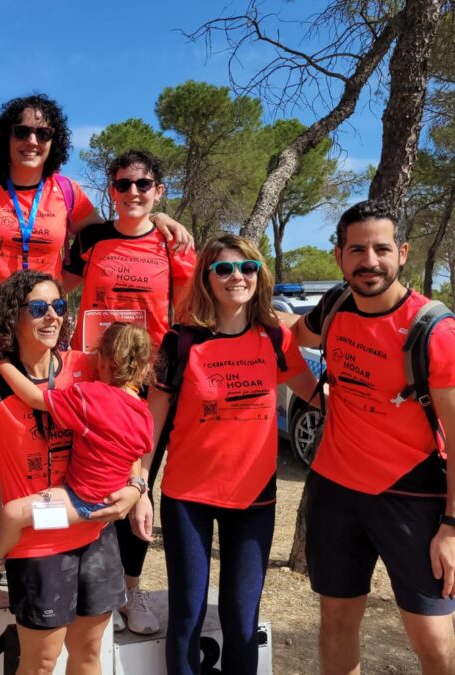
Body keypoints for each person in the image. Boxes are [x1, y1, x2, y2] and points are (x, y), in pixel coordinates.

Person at [0, 95, 190, 556]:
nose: (32, 140)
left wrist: (156, 216)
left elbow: (114, 231)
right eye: (22, 131)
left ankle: (30, 539)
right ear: (7, 137)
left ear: (54, 141)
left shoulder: (66, 192)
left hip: (40, 327)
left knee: (36, 439)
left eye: (43, 133)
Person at [129, 234, 314, 674]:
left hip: (254, 500)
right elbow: (151, 424)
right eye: (224, 269)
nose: (237, 277)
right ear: (207, 277)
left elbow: (319, 396)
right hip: (187, 497)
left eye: (247, 268)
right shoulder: (181, 341)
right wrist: (139, 487)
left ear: (259, 275)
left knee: (241, 618)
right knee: (188, 615)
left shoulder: (274, 338)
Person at [285, 200, 455, 675]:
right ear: (339, 256)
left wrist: (452, 529)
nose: (370, 261)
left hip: (412, 496)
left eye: (381, 248)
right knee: (336, 625)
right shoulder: (336, 305)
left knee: (434, 642)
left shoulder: (435, 331)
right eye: (357, 249)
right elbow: (290, 338)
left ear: (402, 253)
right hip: (335, 492)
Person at [0, 270, 143, 675]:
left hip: (94, 528)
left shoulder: (87, 366)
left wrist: (137, 486)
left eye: (58, 307)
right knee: (41, 662)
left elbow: (123, 428)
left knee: (90, 654)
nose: (52, 317)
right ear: (14, 317)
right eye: (39, 308)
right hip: (37, 541)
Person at [62, 149, 197, 634]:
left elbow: (189, 309)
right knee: (81, 479)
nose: (133, 193)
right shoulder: (94, 238)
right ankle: (85, 584)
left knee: (136, 486)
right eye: (123, 185)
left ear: (159, 190)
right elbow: (61, 286)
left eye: (144, 185)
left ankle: (130, 591)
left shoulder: (172, 245)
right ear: (111, 190)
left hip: (146, 386)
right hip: (89, 380)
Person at [0, 321, 154, 567]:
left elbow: (35, 397)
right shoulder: (144, 414)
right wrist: (137, 488)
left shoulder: (91, 396)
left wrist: (4, 367)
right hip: (111, 499)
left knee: (13, 514)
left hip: (81, 502)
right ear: (143, 369)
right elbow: (138, 451)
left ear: (103, 361)